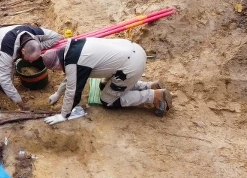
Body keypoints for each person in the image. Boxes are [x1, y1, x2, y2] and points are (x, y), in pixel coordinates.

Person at [41, 37, 170, 125]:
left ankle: (154, 96)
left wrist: (64, 115)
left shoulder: (73, 63)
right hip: (132, 52)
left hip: (130, 67)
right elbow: (71, 76)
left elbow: (73, 91)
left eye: (54, 70)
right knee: (104, 86)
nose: (57, 71)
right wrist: (58, 93)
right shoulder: (71, 49)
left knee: (108, 101)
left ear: (56, 65)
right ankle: (149, 85)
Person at [0, 24, 63, 110]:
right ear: (23, 51)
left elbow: (57, 37)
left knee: (8, 82)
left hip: (3, 42)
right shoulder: (6, 50)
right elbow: (4, 78)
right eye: (30, 59)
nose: (31, 62)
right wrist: (20, 102)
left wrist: (40, 47)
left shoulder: (34, 32)